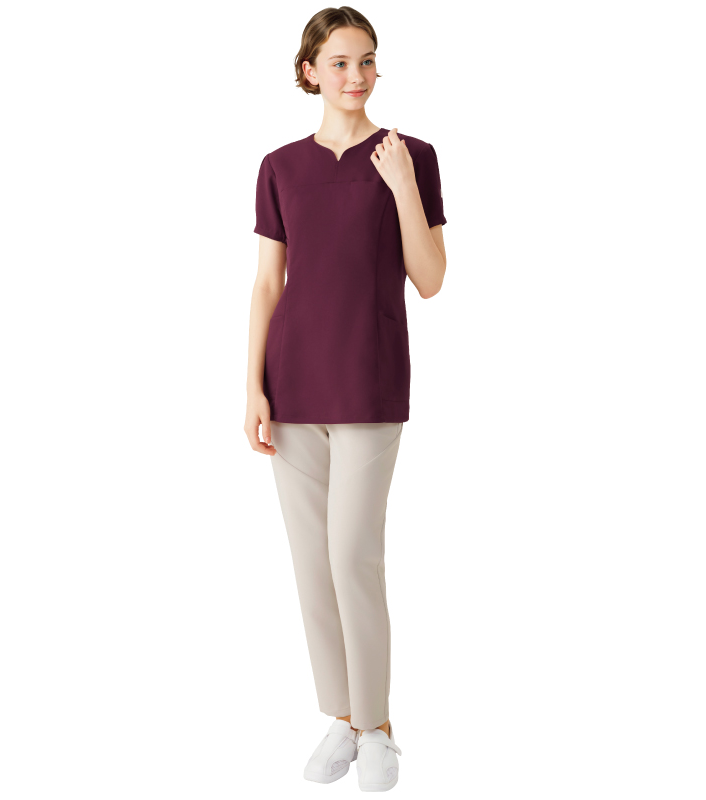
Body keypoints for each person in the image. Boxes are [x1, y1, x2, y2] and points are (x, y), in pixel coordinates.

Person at [244, 6, 447, 792]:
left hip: (368, 381)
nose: (356, 76)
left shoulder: (411, 156)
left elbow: (431, 279)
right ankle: (344, 716)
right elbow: (268, 283)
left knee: (352, 555)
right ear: (310, 72)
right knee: (310, 564)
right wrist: (253, 385)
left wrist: (400, 187)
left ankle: (378, 726)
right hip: (293, 385)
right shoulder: (279, 166)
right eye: (339, 62)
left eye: (367, 60)